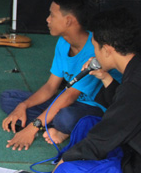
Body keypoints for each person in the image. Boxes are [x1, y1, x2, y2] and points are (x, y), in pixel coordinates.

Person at [0, 0, 117, 151]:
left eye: (52, 15)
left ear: (69, 20)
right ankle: (52, 123)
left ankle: (58, 126)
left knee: (65, 118)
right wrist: (23, 105)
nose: (47, 19)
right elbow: (50, 87)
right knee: (9, 98)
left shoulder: (94, 50)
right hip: (66, 102)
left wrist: (32, 128)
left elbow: (69, 96)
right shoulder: (63, 42)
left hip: (92, 108)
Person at [54, 9, 141, 173]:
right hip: (130, 140)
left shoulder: (134, 87)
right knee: (87, 123)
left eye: (95, 47)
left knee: (67, 169)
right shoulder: (135, 69)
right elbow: (123, 107)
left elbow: (107, 132)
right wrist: (105, 77)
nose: (94, 53)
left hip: (135, 162)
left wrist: (67, 160)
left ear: (107, 50)